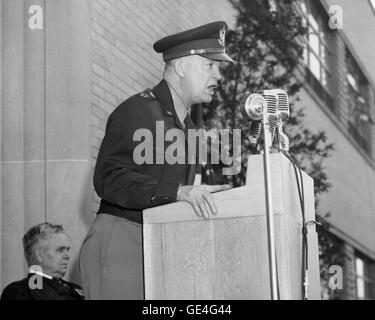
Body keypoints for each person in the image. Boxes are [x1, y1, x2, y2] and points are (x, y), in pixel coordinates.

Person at [79, 21, 234, 300]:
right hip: (122, 242)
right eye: (210, 65)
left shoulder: (190, 129)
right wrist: (177, 192)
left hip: (160, 244)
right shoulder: (138, 110)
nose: (219, 75)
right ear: (180, 67)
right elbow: (108, 178)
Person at [1, 222, 84, 300]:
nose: (67, 256)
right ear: (39, 255)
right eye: (60, 250)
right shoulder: (19, 292)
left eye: (67, 250)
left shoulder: (76, 291)